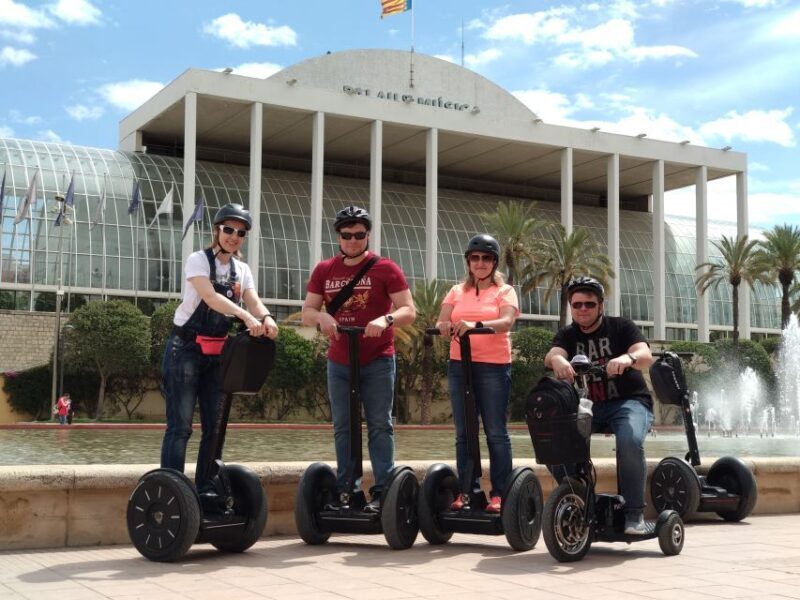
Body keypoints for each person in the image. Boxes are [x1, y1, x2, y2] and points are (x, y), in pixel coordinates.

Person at [302, 205, 416, 512]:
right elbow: (308, 311)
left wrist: (386, 319)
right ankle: (347, 491)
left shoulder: (386, 268)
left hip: (378, 359)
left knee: (379, 424)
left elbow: (409, 310)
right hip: (340, 360)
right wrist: (321, 317)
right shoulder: (324, 270)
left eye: (359, 235)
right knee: (343, 426)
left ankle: (383, 491)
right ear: (338, 236)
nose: (352, 240)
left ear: (368, 235)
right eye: (347, 235)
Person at [160, 203, 279, 491]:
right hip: (185, 350)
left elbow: (252, 299)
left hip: (218, 354)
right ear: (217, 230)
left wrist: (266, 317)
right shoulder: (198, 260)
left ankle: (207, 489)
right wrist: (246, 317)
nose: (234, 236)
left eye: (240, 232)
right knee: (181, 427)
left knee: (215, 427)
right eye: (229, 229)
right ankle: (173, 490)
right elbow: (211, 297)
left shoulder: (242, 270)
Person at [544, 276, 654, 534]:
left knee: (629, 441)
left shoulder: (621, 327)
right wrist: (558, 361)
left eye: (589, 304)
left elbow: (645, 355)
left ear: (601, 305)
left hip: (628, 402)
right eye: (577, 304)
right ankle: (581, 500)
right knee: (553, 442)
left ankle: (634, 514)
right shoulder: (567, 334)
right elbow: (553, 355)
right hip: (588, 406)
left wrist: (628, 359)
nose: (583, 309)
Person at [435, 234, 519, 513]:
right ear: (468, 261)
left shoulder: (504, 291)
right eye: (475, 258)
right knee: (464, 432)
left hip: (493, 366)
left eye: (486, 258)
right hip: (460, 365)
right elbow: (442, 319)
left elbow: (506, 322)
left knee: (495, 432)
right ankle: (467, 491)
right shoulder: (456, 291)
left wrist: (476, 324)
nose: (480, 263)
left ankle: (500, 493)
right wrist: (443, 326)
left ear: (494, 262)